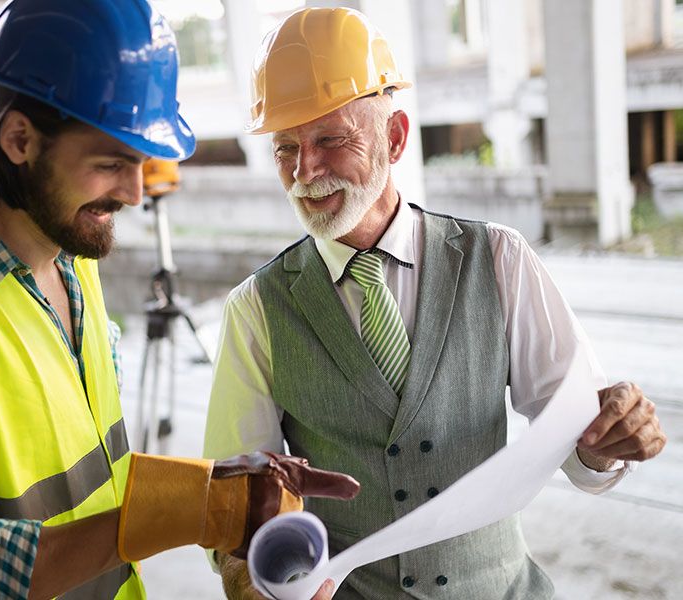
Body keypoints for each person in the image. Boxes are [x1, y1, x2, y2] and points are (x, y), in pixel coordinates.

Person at [0, 2, 359, 599]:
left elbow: (92, 475)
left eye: (141, 163)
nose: (133, 192)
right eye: (109, 164)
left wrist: (225, 486)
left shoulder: (71, 262)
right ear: (19, 139)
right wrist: (193, 512)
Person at [203, 7, 667, 600]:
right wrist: (254, 582)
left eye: (329, 139)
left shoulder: (498, 259)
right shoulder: (256, 310)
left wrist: (608, 440)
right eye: (285, 148)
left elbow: (580, 436)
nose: (304, 171)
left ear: (394, 138)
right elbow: (234, 505)